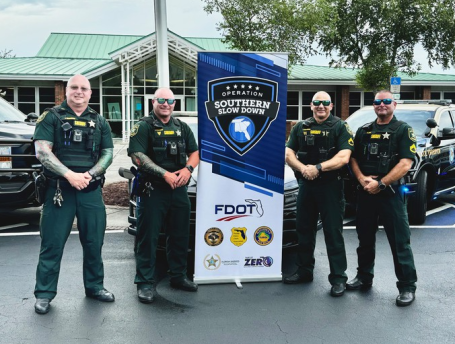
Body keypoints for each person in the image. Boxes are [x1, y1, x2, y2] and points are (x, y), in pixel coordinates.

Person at [33, 74, 115, 314]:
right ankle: (44, 293)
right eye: (74, 87)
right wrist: (70, 175)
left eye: (84, 88)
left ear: (91, 93)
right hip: (60, 190)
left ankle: (95, 287)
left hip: (90, 191)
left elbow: (108, 152)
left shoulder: (99, 121)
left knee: (93, 243)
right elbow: (42, 152)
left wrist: (91, 173)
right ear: (66, 91)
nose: (79, 92)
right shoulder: (51, 117)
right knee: (52, 244)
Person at [128, 87, 200, 303]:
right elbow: (137, 156)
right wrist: (164, 174)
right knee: (148, 237)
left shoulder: (182, 127)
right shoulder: (143, 126)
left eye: (169, 100)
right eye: (161, 100)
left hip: (178, 189)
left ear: (174, 103)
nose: (165, 104)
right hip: (153, 189)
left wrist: (188, 170)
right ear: (153, 101)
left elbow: (194, 152)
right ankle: (145, 282)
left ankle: (178, 276)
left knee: (179, 235)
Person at [347, 90, 417, 306]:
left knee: (399, 242)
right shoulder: (364, 130)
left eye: (386, 101)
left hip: (391, 194)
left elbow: (406, 163)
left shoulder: (403, 130)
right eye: (378, 101)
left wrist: (382, 183)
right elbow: (354, 159)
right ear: (374, 105)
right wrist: (361, 179)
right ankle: (364, 277)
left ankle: (407, 286)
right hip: (366, 192)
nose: (382, 105)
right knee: (364, 238)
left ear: (394, 104)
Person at [284, 91, 354, 297]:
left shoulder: (340, 127)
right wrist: (303, 169)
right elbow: (289, 153)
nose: (320, 106)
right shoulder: (301, 126)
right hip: (306, 185)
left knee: (333, 233)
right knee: (303, 230)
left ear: (331, 106)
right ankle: (304, 271)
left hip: (330, 186)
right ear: (311, 105)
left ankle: (339, 278)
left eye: (325, 103)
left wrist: (318, 167)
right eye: (317, 103)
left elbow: (343, 157)